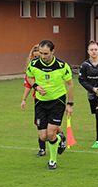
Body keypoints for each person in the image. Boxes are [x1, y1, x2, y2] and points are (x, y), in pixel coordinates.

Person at [26, 40, 73, 170]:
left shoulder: (62, 66)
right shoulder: (34, 64)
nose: (43, 56)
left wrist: (70, 104)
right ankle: (60, 139)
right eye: (41, 53)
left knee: (51, 133)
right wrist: (36, 87)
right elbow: (29, 78)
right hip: (40, 102)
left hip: (57, 101)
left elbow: (70, 84)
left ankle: (52, 161)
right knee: (43, 136)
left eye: (46, 53)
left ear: (53, 51)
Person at [21, 44, 48, 157]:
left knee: (53, 125)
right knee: (39, 124)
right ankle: (42, 149)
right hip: (37, 100)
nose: (37, 59)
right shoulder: (30, 70)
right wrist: (24, 99)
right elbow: (28, 85)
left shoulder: (48, 68)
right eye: (35, 57)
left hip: (51, 98)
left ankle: (61, 137)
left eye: (40, 56)